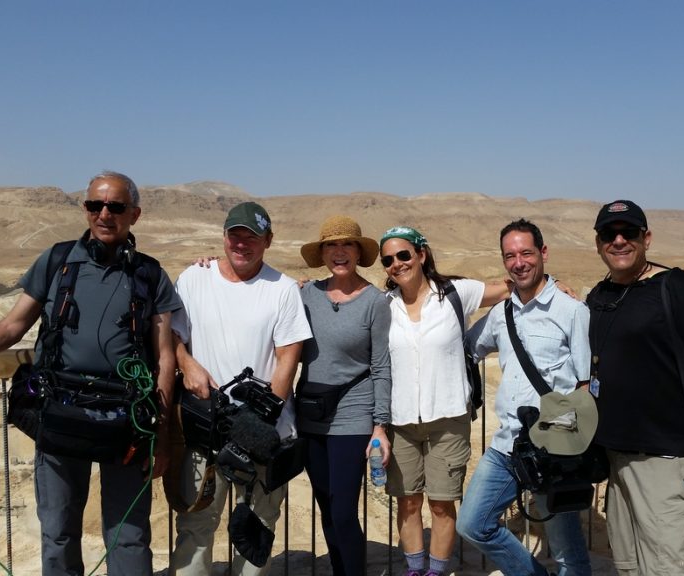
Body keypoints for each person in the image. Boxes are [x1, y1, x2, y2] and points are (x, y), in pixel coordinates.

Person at [0, 171, 181, 575]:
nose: (104, 214)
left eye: (116, 207)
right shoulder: (57, 262)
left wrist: (161, 431)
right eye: (95, 205)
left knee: (128, 535)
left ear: (134, 215)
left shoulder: (149, 274)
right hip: (60, 415)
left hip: (128, 423)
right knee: (57, 531)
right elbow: (8, 329)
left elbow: (164, 357)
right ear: (86, 209)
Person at [585, 200, 684, 575]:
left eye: (629, 232)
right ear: (598, 243)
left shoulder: (678, 289)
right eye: (609, 234)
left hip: (665, 461)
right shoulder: (600, 297)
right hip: (616, 462)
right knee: (629, 567)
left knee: (670, 567)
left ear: (646, 238)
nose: (619, 241)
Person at [170, 201, 312, 576]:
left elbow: (287, 358)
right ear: (224, 237)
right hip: (205, 430)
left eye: (251, 238)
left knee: (257, 529)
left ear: (268, 240)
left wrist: (258, 425)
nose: (241, 245)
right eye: (235, 236)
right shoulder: (193, 278)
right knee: (195, 526)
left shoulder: (282, 290)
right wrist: (187, 363)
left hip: (264, 436)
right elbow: (173, 337)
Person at [456, 218, 592, 576]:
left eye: (526, 253)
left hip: (555, 445)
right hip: (507, 444)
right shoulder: (501, 313)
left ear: (543, 253)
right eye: (510, 255)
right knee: (472, 523)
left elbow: (585, 385)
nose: (519, 262)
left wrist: (562, 439)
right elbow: (468, 347)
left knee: (566, 548)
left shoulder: (572, 311)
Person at [378, 226, 511, 576]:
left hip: (449, 418)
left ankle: (435, 572)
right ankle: (414, 570)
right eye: (388, 259)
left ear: (421, 255)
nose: (397, 264)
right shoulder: (383, 305)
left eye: (404, 255)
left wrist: (554, 284)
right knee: (407, 503)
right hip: (400, 420)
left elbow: (509, 287)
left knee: (440, 504)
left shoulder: (456, 293)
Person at [295, 215, 391, 576]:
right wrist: (208, 267)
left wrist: (380, 426)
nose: (339, 252)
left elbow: (381, 366)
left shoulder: (374, 302)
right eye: (331, 245)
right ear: (322, 253)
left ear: (357, 252)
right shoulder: (305, 295)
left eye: (346, 245)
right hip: (310, 415)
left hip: (353, 415)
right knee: (325, 506)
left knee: (343, 511)